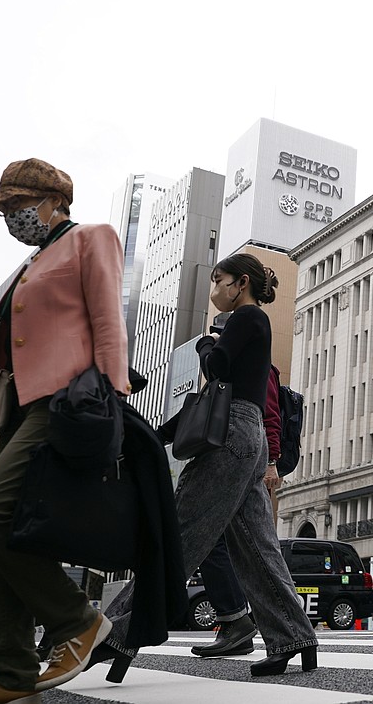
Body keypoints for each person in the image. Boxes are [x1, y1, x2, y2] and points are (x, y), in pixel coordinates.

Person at [98, 254, 318, 680]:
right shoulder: (251, 323)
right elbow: (212, 395)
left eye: (220, 279)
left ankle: (115, 633)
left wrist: (205, 343)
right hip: (245, 435)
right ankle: (295, 636)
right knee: (257, 547)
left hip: (233, 436)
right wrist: (155, 435)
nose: (215, 288)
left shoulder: (246, 317)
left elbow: (214, 369)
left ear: (242, 283)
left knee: (179, 534)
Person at [0, 160, 129, 703]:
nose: (13, 216)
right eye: (6, 209)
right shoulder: (26, 270)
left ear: (54, 201)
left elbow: (108, 320)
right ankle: (12, 672)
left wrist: (111, 399)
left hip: (63, 403)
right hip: (16, 413)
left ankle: (76, 621)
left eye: (19, 204)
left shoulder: (89, 239)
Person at [190, 361, 285, 658]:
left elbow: (269, 414)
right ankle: (239, 623)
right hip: (229, 459)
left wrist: (272, 462)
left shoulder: (258, 367)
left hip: (247, 461)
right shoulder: (231, 368)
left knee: (226, 542)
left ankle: (241, 621)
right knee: (237, 544)